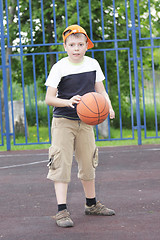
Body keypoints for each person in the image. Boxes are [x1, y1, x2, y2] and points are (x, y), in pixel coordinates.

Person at [45, 24, 115, 228]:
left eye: (80, 44)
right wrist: (68, 101)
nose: (76, 48)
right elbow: (49, 99)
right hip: (63, 121)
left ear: (86, 46)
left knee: (88, 162)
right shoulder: (59, 67)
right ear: (65, 46)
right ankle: (61, 211)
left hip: (85, 122)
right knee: (61, 164)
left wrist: (108, 107)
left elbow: (101, 92)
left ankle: (91, 204)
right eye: (72, 44)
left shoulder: (93, 64)